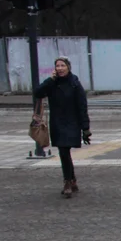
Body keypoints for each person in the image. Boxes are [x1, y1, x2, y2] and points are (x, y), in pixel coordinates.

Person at [34, 57, 91, 198]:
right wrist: (49, 80)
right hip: (57, 122)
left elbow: (82, 107)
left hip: (72, 122)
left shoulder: (74, 83)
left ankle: (69, 180)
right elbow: (38, 93)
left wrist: (85, 128)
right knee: (63, 151)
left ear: (68, 67)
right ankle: (69, 181)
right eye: (57, 66)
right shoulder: (52, 83)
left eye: (62, 65)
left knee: (65, 152)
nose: (60, 68)